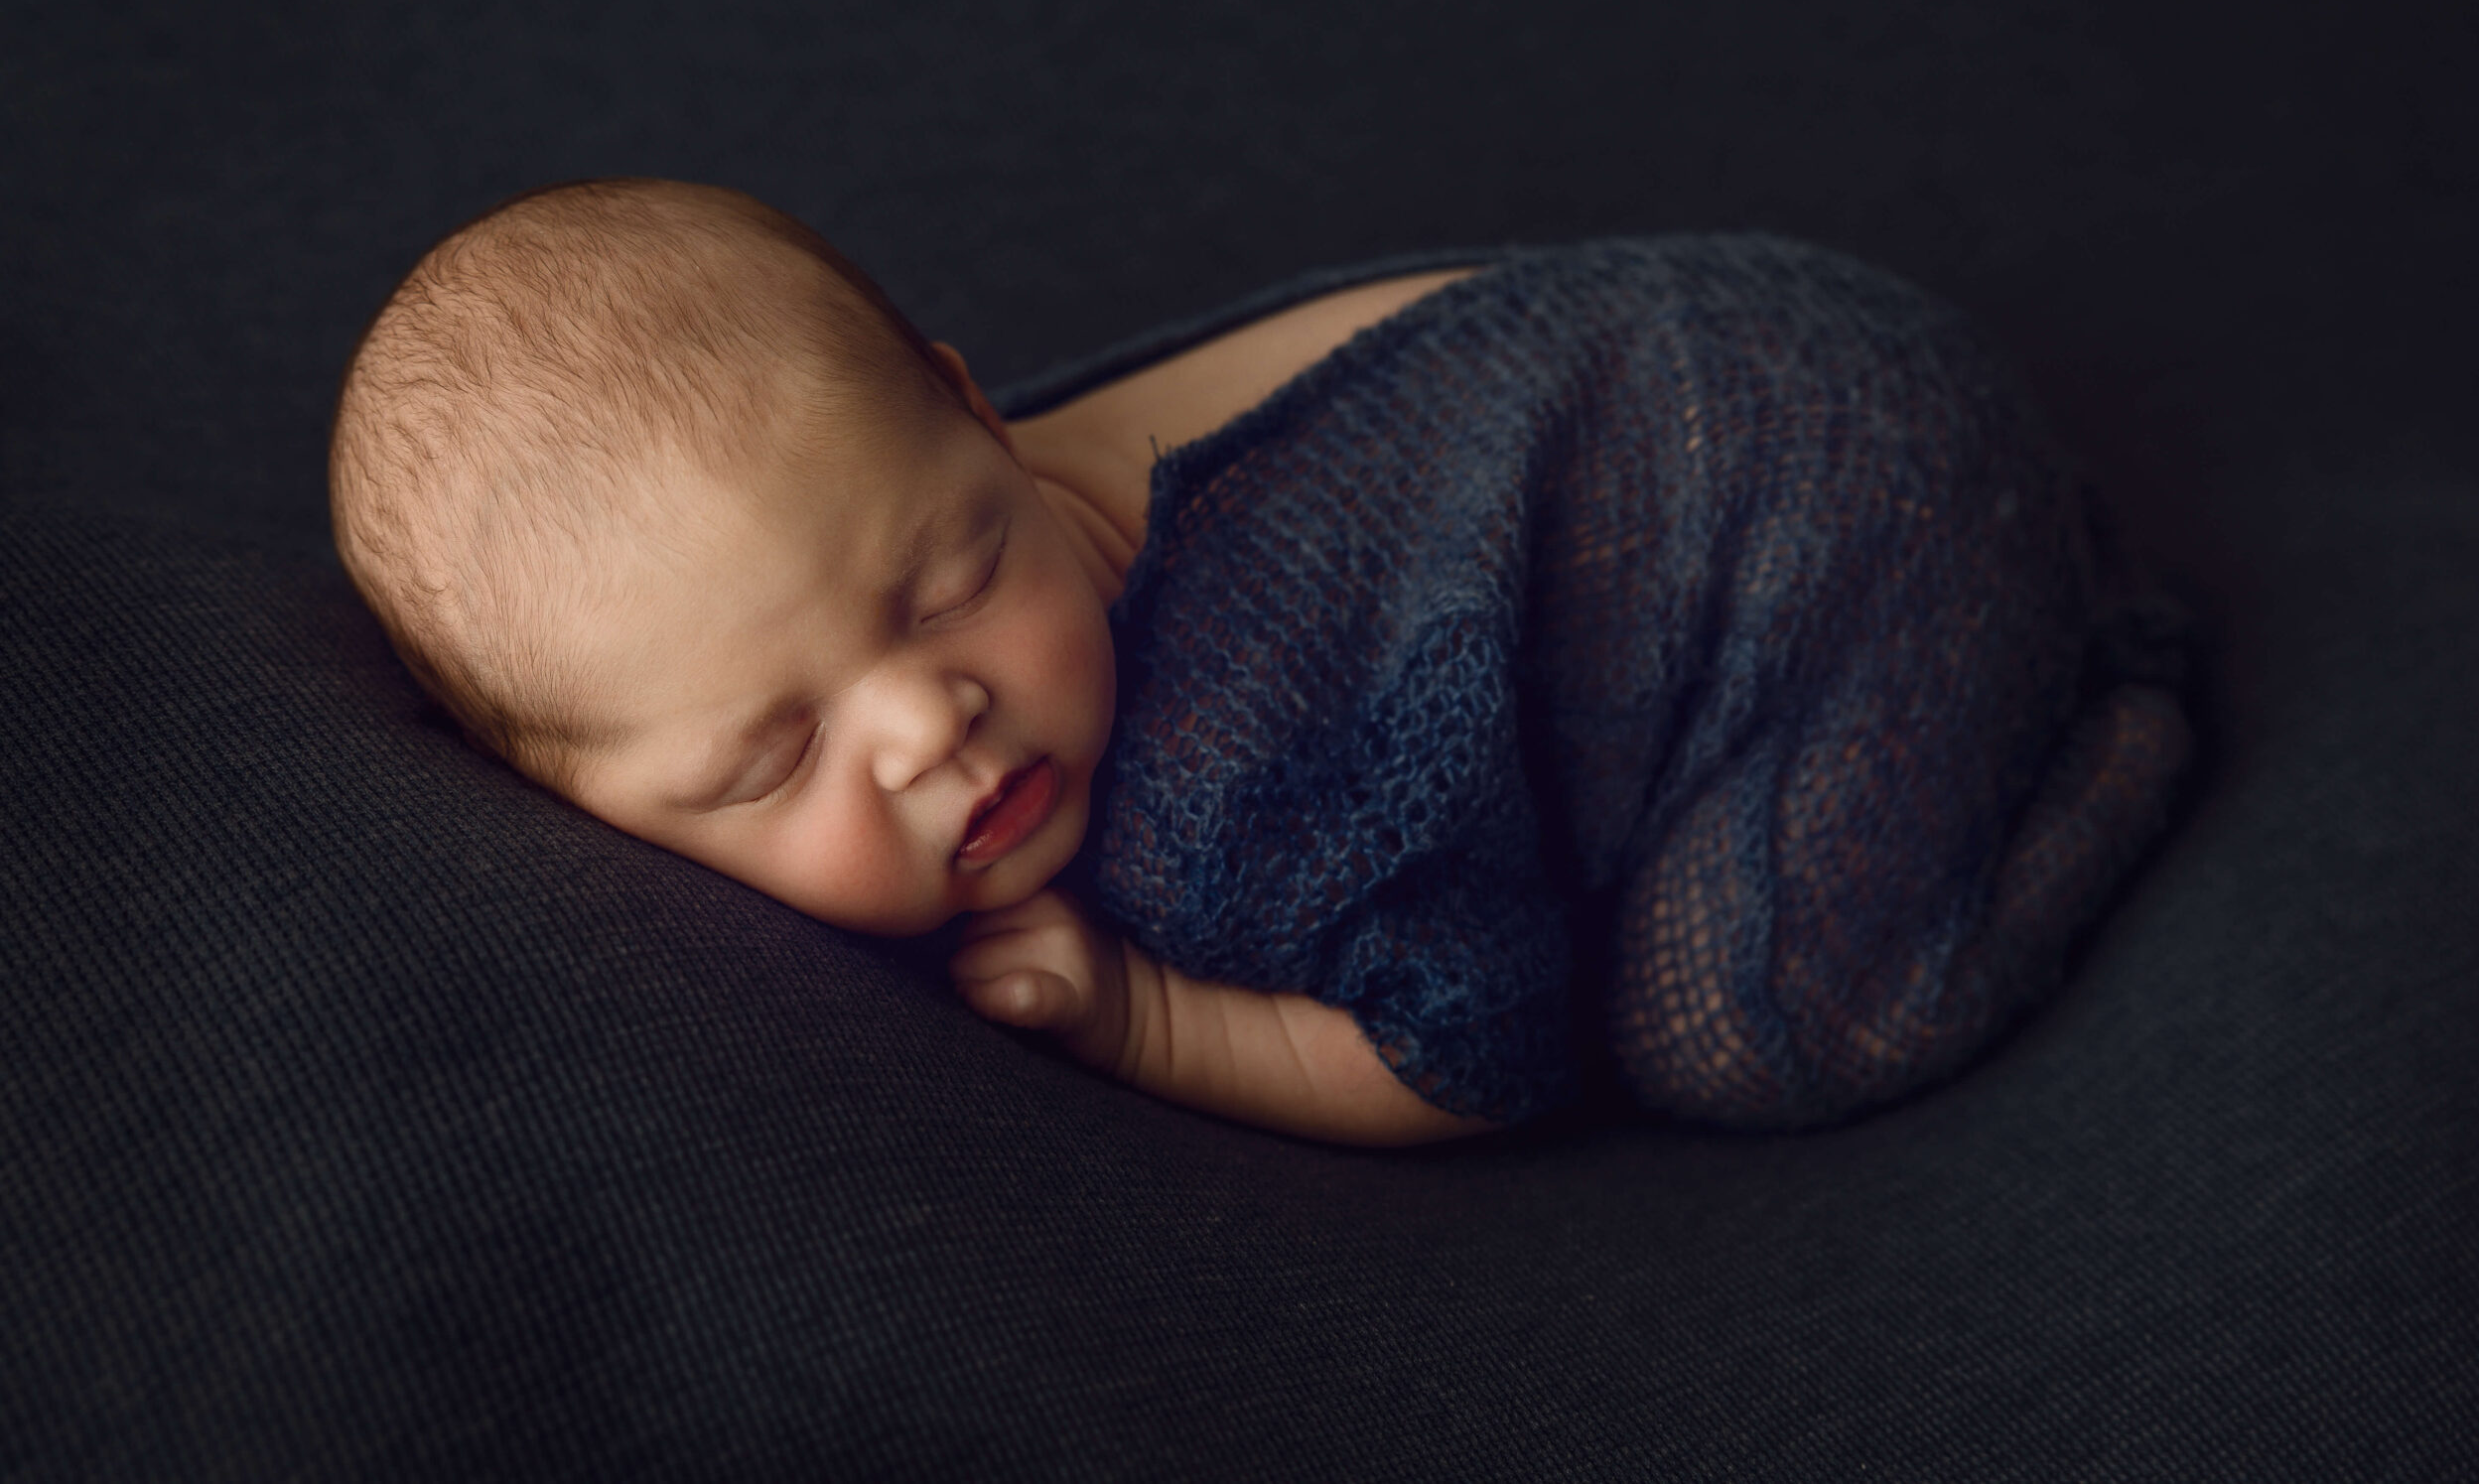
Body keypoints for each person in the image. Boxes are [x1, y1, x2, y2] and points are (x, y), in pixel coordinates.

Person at [330, 178, 2193, 1147]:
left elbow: (1488, 1043)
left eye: (952, 577)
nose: (922, 720)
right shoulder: (923, 495)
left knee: (1741, 1033)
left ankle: (2123, 705)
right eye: (769, 759)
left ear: (976, 413)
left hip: (1872, 533)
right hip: (1757, 339)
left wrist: (1152, 1020)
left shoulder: (1223, 794)